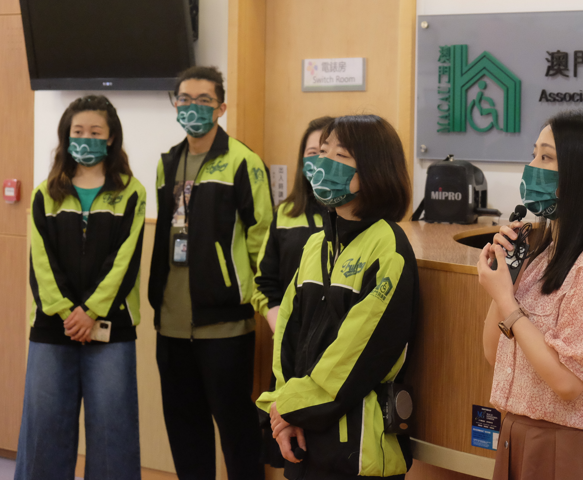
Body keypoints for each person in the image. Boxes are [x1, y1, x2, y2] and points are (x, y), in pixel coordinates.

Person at [477, 110, 583, 480]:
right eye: (534, 154)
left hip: (568, 450)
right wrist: (505, 281)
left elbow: (567, 383)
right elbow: (493, 353)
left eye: (546, 157)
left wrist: (507, 302)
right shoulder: (544, 255)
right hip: (520, 437)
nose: (532, 167)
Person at [257, 114, 418, 480]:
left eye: (340, 155)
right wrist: (283, 408)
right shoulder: (316, 244)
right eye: (322, 152)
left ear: (374, 170)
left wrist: (290, 406)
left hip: (357, 451)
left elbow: (356, 354)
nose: (323, 163)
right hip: (303, 433)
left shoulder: (387, 246)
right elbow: (287, 335)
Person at [149, 66, 272, 480]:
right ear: (175, 105)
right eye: (185, 100)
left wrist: (264, 303)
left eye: (204, 101)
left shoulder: (243, 162)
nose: (193, 108)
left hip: (225, 326)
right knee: (185, 431)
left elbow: (262, 239)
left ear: (221, 108)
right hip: (171, 324)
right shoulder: (168, 163)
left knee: (237, 432)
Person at [16, 95, 146, 480]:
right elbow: (41, 264)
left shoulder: (131, 192)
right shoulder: (45, 193)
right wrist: (66, 312)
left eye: (95, 132)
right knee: (45, 431)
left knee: (112, 434)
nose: (86, 138)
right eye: (78, 131)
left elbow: (124, 262)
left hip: (110, 328)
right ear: (66, 136)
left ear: (111, 138)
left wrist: (90, 312)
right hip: (52, 327)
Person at [252, 114, 333, 469]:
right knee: (290, 446)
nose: (319, 161)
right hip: (289, 353)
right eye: (312, 153)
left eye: (327, 153)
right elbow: (263, 283)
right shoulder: (284, 213)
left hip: (334, 354)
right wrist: (280, 324)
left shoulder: (351, 216)